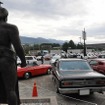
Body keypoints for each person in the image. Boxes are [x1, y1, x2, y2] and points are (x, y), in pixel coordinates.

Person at [0, 2, 26, 105]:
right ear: (6, 16)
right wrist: (23, 61)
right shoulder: (11, 28)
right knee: (10, 90)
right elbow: (18, 47)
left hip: (5, 58)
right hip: (6, 59)